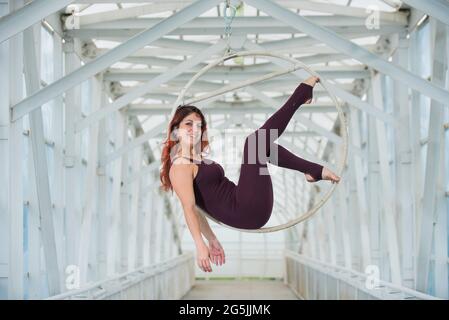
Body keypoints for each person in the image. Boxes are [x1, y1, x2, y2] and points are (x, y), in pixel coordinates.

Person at [160, 76, 340, 272]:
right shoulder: (179, 166)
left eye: (199, 125)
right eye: (188, 124)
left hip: (247, 205)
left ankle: (312, 170)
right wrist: (200, 245)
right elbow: (189, 208)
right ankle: (301, 94)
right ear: (176, 130)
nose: (195, 129)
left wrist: (212, 239)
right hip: (244, 210)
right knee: (255, 143)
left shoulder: (198, 160)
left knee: (262, 147)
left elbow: (198, 209)